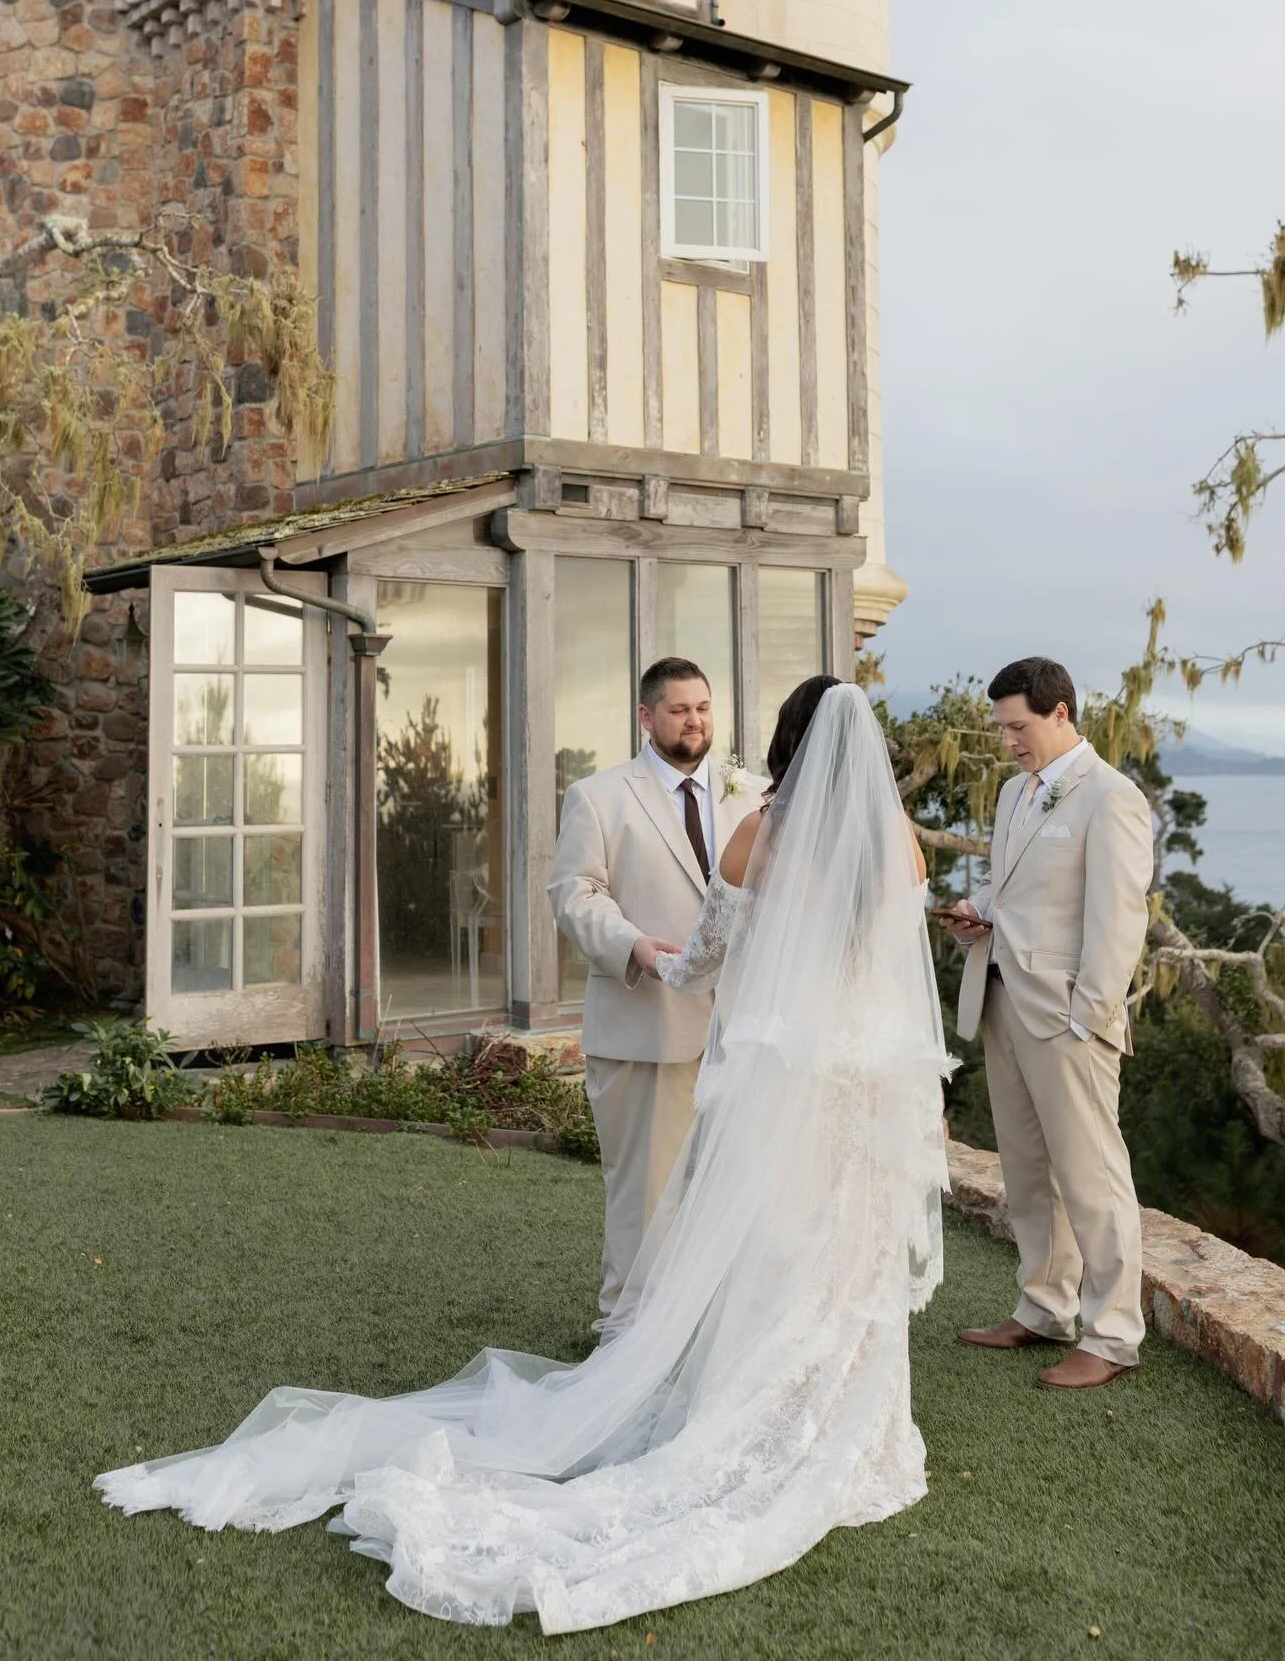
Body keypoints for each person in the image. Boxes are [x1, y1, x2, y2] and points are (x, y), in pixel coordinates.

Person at [96, 680, 952, 1634]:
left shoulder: (761, 835)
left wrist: (669, 962)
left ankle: (767, 1411)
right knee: (851, 1253)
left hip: (781, 1087)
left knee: (777, 1249)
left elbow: (708, 954)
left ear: (790, 743)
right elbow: (899, 972)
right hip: (863, 1092)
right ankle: (855, 1425)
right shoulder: (901, 845)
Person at [935, 656, 1153, 1390]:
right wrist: (976, 914)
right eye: (1001, 728)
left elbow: (1119, 921)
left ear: (1061, 713)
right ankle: (1044, 1308)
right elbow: (1013, 892)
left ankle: (1113, 1336)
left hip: (1067, 1019)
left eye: (1018, 727)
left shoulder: (1112, 797)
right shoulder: (1012, 793)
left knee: (1093, 1180)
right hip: (1003, 1001)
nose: (1008, 742)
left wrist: (1086, 1019)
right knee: (1027, 1172)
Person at [547, 656, 756, 1331]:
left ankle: (707, 1329)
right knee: (645, 1194)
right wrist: (633, 945)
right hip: (644, 1021)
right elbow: (574, 894)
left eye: (703, 707)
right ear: (646, 717)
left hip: (741, 1028)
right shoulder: (599, 797)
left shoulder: (753, 795)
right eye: (679, 710)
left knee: (735, 1189)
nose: (695, 721)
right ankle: (628, 1329)